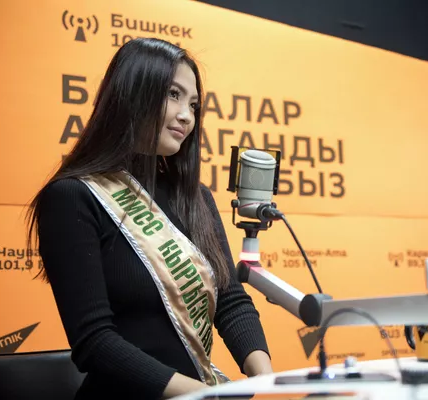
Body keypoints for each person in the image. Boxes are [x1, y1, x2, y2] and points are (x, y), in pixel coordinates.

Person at [26, 37, 273, 399]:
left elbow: (230, 300)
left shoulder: (196, 198)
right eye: (173, 94)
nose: (187, 115)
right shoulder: (73, 196)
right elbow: (95, 341)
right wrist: (205, 395)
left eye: (193, 104)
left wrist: (263, 378)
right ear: (132, 93)